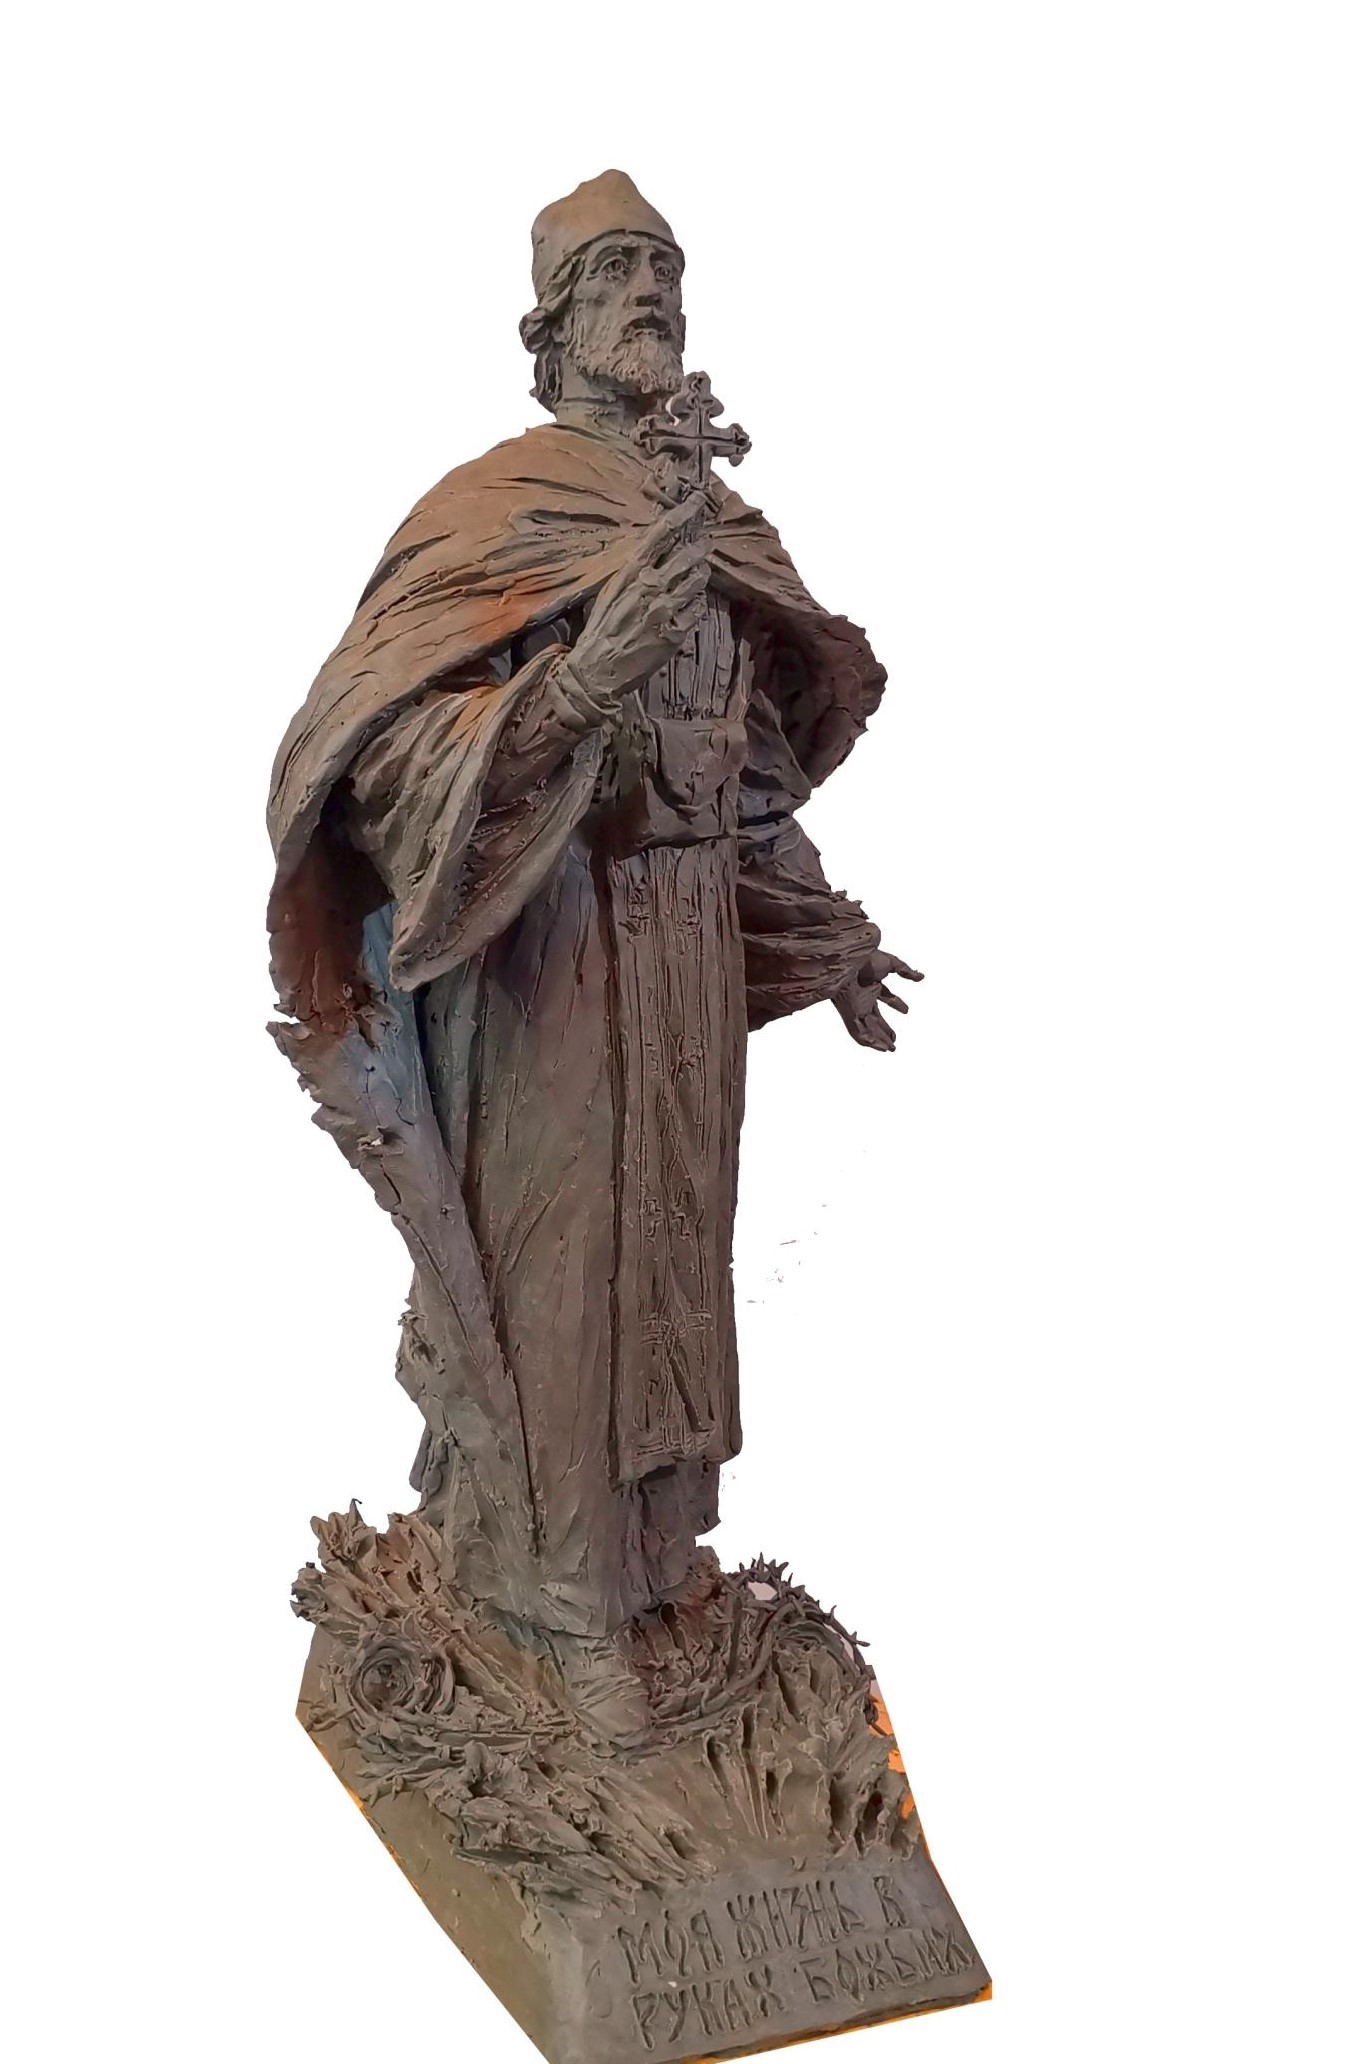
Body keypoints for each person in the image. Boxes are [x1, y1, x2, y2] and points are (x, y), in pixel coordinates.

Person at [268, 171, 918, 1739]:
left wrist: (819, 931)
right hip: (545, 941)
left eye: (665, 277)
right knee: (561, 1272)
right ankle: (553, 1618)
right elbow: (381, 763)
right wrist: (571, 691)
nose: (650, 298)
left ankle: (645, 1567)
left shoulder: (713, 520)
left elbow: (744, 772)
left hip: (683, 948)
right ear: (545, 330)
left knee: (673, 1259)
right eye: (616, 275)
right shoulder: (495, 515)